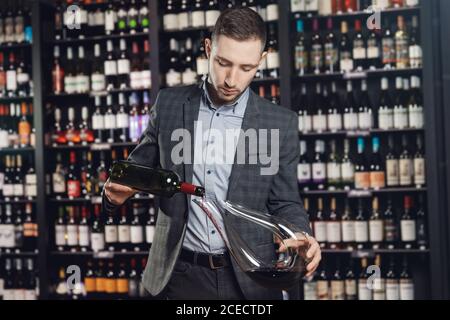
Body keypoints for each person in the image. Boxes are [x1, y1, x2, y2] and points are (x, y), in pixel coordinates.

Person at [103, 7, 321, 300]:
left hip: (250, 278)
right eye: (223, 63)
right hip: (180, 276)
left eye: (247, 68)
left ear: (262, 61)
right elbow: (133, 172)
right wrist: (112, 195)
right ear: (208, 49)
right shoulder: (168, 105)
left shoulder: (279, 122)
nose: (232, 79)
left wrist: (301, 235)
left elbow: (285, 201)